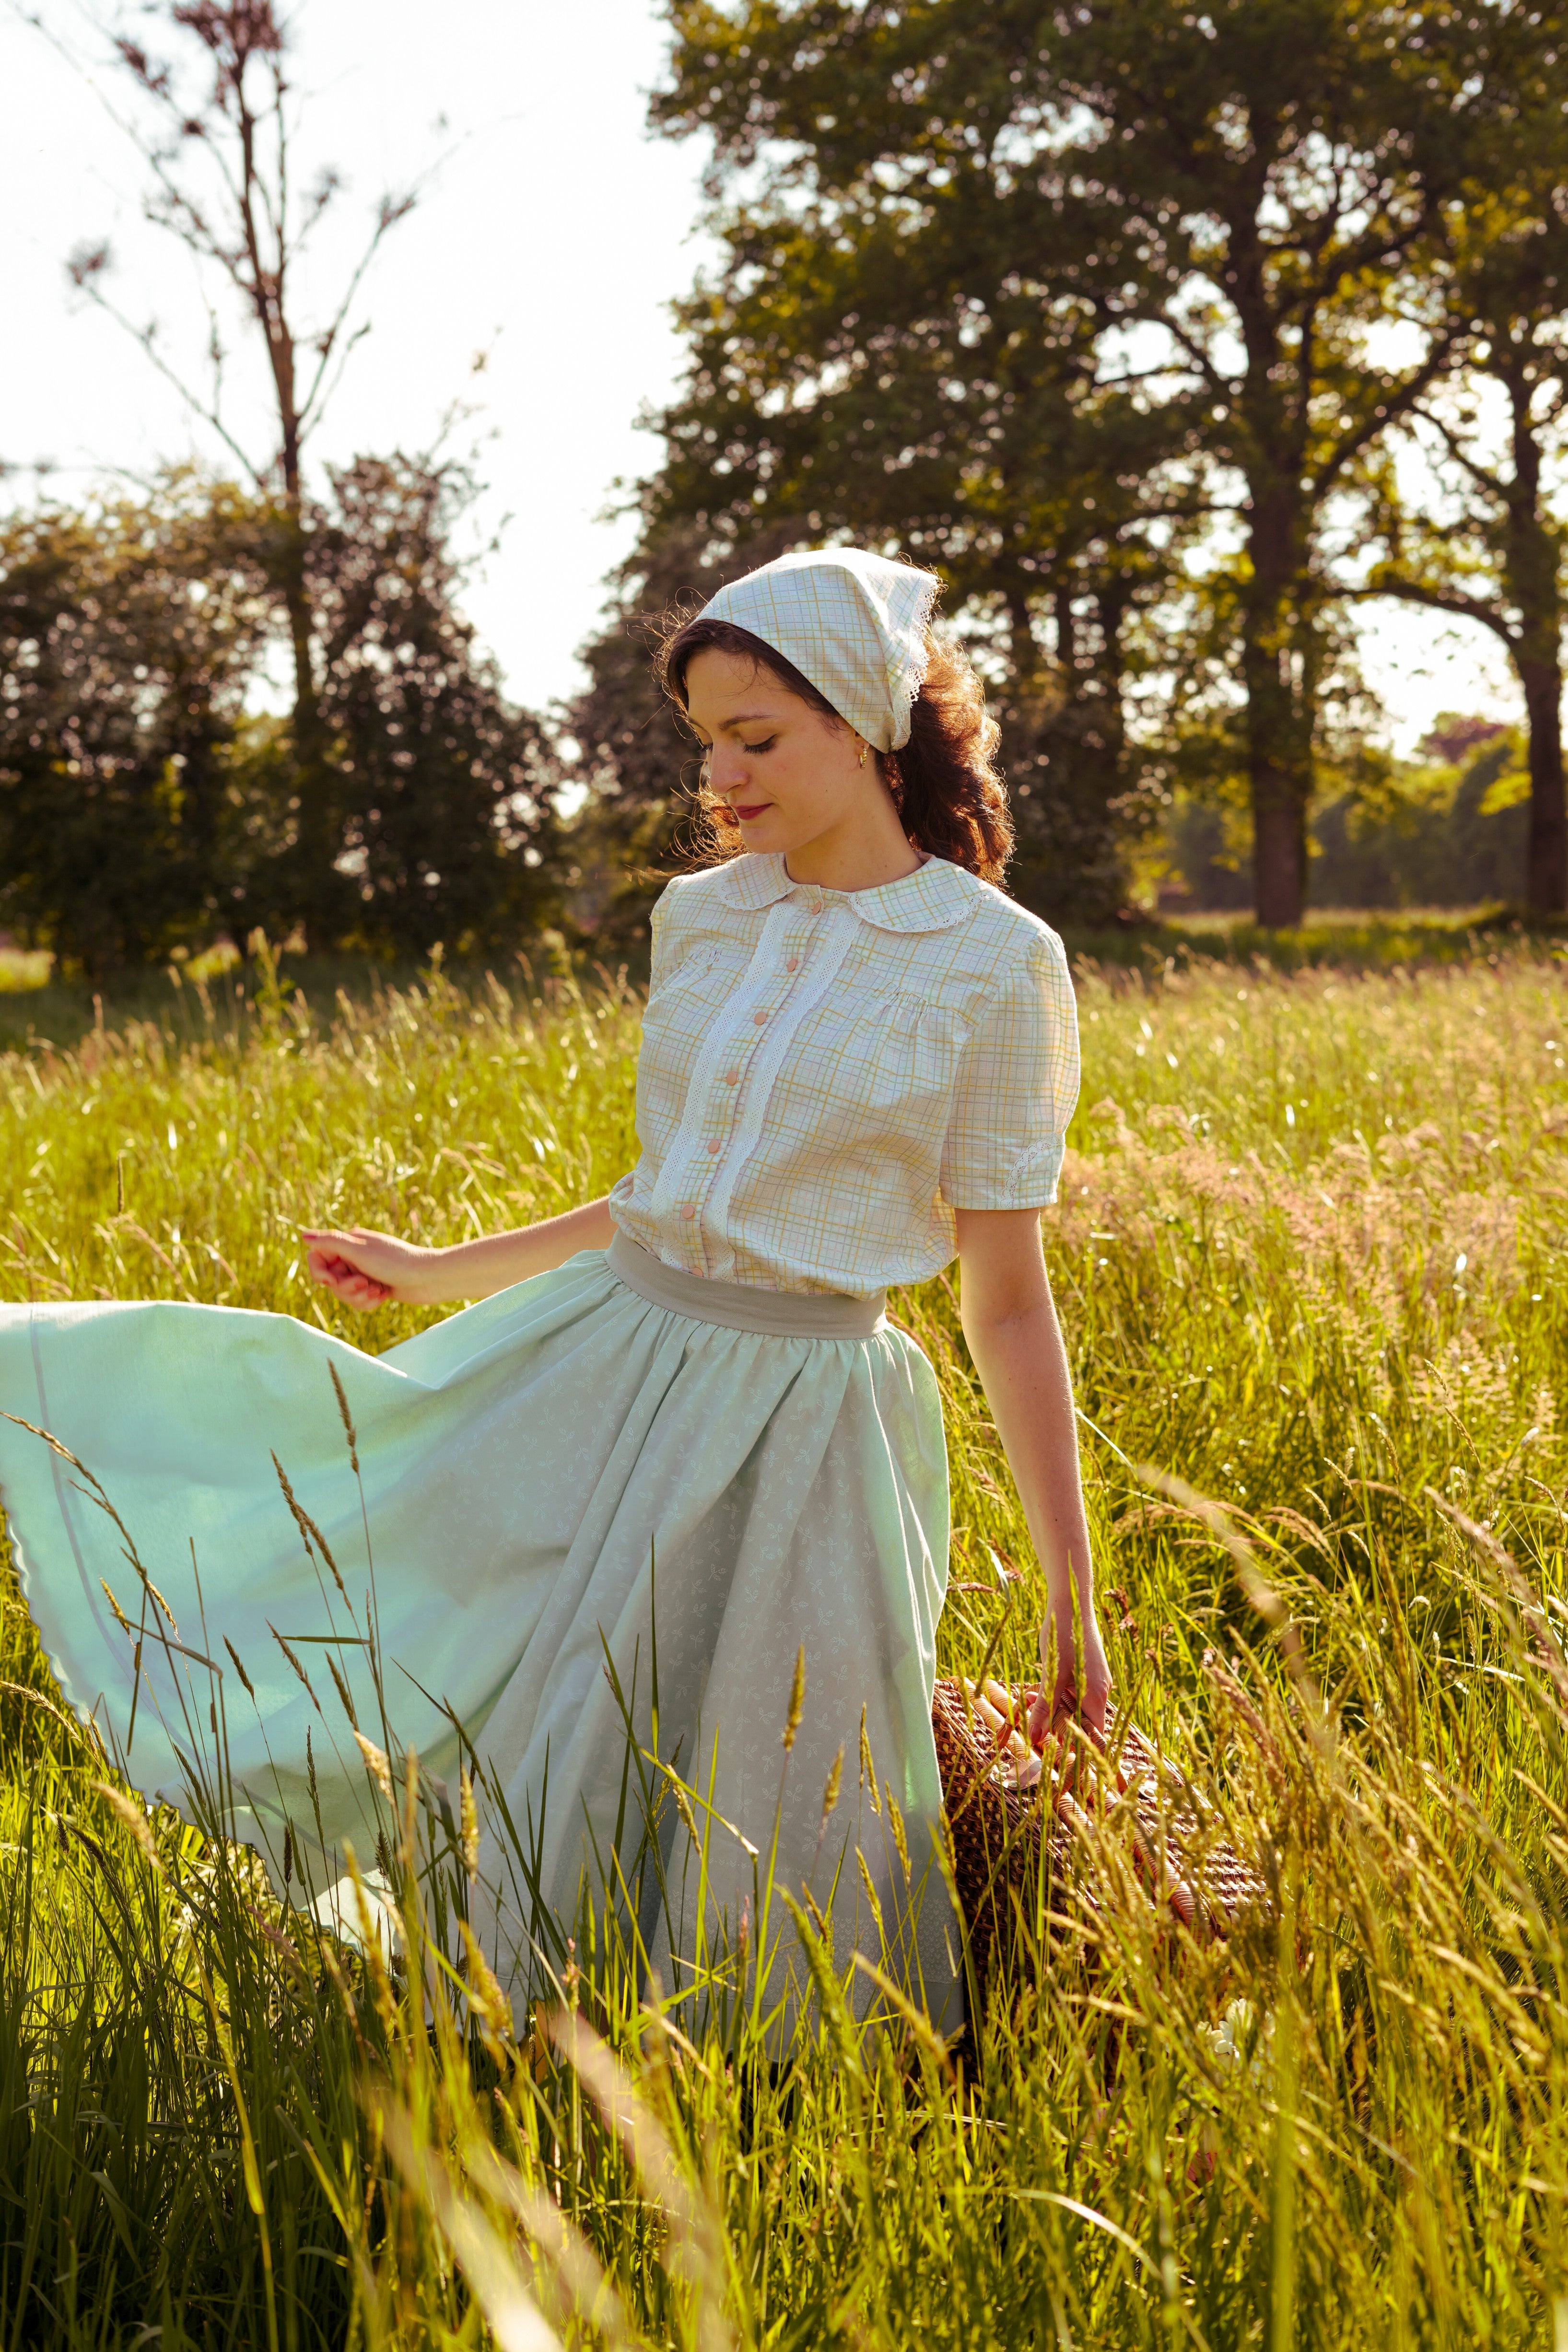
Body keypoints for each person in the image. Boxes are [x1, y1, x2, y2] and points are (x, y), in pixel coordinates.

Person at [0, 548, 1106, 2033]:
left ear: (864, 724)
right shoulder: (705, 919)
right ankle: (525, 2036)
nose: (720, 772)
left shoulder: (998, 965)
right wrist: (444, 1268)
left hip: (806, 1419)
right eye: (707, 736)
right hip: (605, 1355)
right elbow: (673, 1193)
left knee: (772, 1789)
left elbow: (1007, 1295)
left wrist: (1070, 1588)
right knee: (446, 1623)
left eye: (757, 738)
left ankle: (752, 2103)